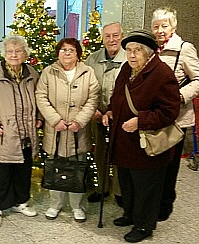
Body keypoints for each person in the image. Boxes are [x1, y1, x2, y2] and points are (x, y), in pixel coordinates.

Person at [102, 30, 180, 242]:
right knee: (127, 182)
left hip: (146, 145)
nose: (132, 55)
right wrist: (110, 111)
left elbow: (169, 111)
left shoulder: (162, 74)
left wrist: (141, 121)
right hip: (124, 142)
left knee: (146, 187)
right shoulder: (127, 68)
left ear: (148, 53)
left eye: (137, 50)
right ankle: (130, 214)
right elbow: (117, 95)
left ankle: (145, 226)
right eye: (128, 50)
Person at [0, 35, 40, 228]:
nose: (14, 54)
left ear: (25, 53)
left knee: (23, 170)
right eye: (10, 51)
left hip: (26, 133)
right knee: (0, 173)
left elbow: (41, 98)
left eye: (18, 50)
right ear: (3, 54)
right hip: (3, 134)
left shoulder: (32, 74)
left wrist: (39, 118)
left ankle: (21, 202)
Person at [151, 7, 199, 221]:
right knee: (154, 164)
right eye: (156, 26)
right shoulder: (151, 49)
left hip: (176, 119)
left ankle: (165, 206)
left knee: (169, 165)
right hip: (155, 117)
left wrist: (179, 97)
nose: (160, 30)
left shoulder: (184, 48)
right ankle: (152, 202)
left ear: (173, 27)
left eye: (164, 26)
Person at [36, 38, 100, 222]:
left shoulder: (88, 72)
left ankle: (76, 206)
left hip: (78, 132)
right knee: (54, 167)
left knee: (77, 168)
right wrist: (55, 120)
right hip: (55, 131)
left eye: (71, 50)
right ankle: (54, 205)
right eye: (63, 50)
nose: (67, 53)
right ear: (58, 53)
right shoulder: (49, 72)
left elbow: (93, 98)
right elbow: (41, 96)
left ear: (78, 53)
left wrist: (79, 121)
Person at [85, 22, 126, 206]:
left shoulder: (129, 58)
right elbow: (85, 88)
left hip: (121, 118)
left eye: (115, 35)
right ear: (102, 38)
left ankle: (119, 191)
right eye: (108, 36)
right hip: (97, 116)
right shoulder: (92, 60)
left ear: (122, 36)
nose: (112, 40)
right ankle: (102, 188)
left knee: (120, 156)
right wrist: (92, 110)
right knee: (100, 154)